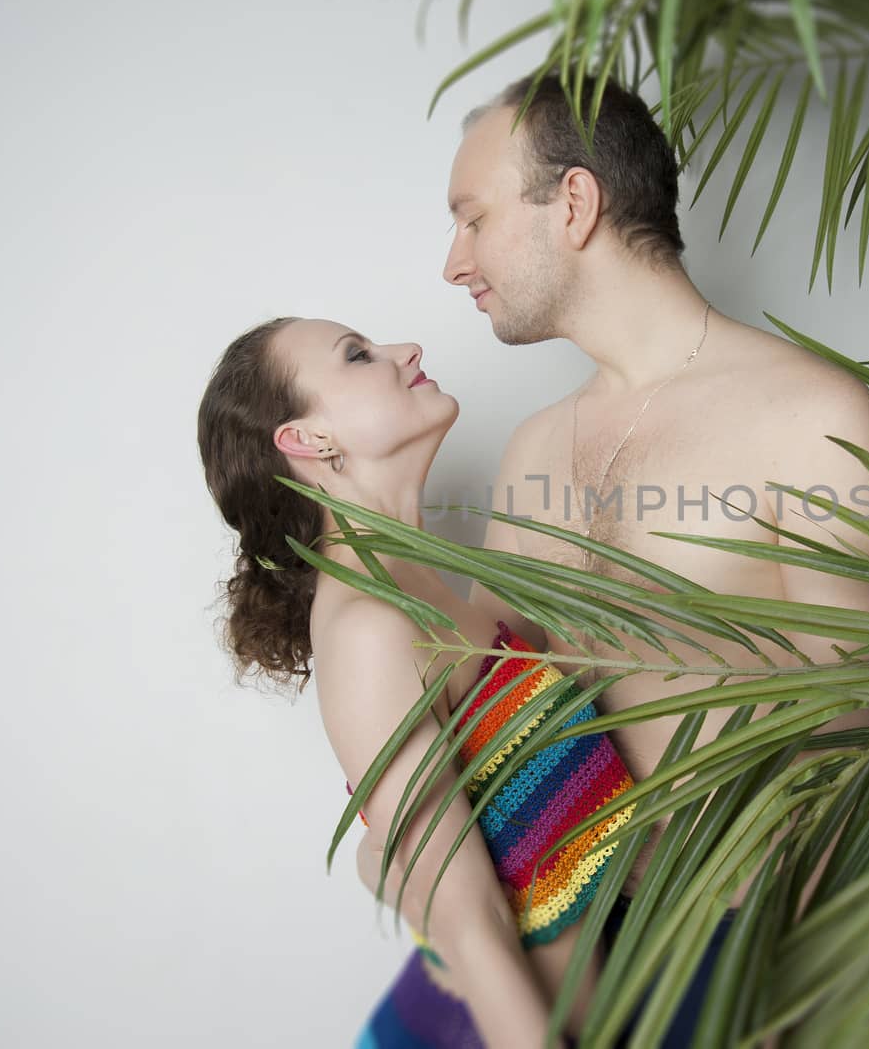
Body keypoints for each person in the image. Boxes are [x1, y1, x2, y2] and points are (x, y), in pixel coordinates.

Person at [441, 72, 869, 1043]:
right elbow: (480, 696)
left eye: (472, 218)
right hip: (591, 969)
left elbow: (862, 742)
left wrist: (769, 1002)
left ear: (573, 204)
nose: (454, 261)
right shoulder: (534, 448)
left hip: (771, 968)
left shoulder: (809, 416)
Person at [196, 318, 637, 1049]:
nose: (407, 352)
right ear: (308, 440)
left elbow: (409, 853)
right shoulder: (370, 628)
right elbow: (469, 928)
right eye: (357, 355)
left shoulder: (423, 587)